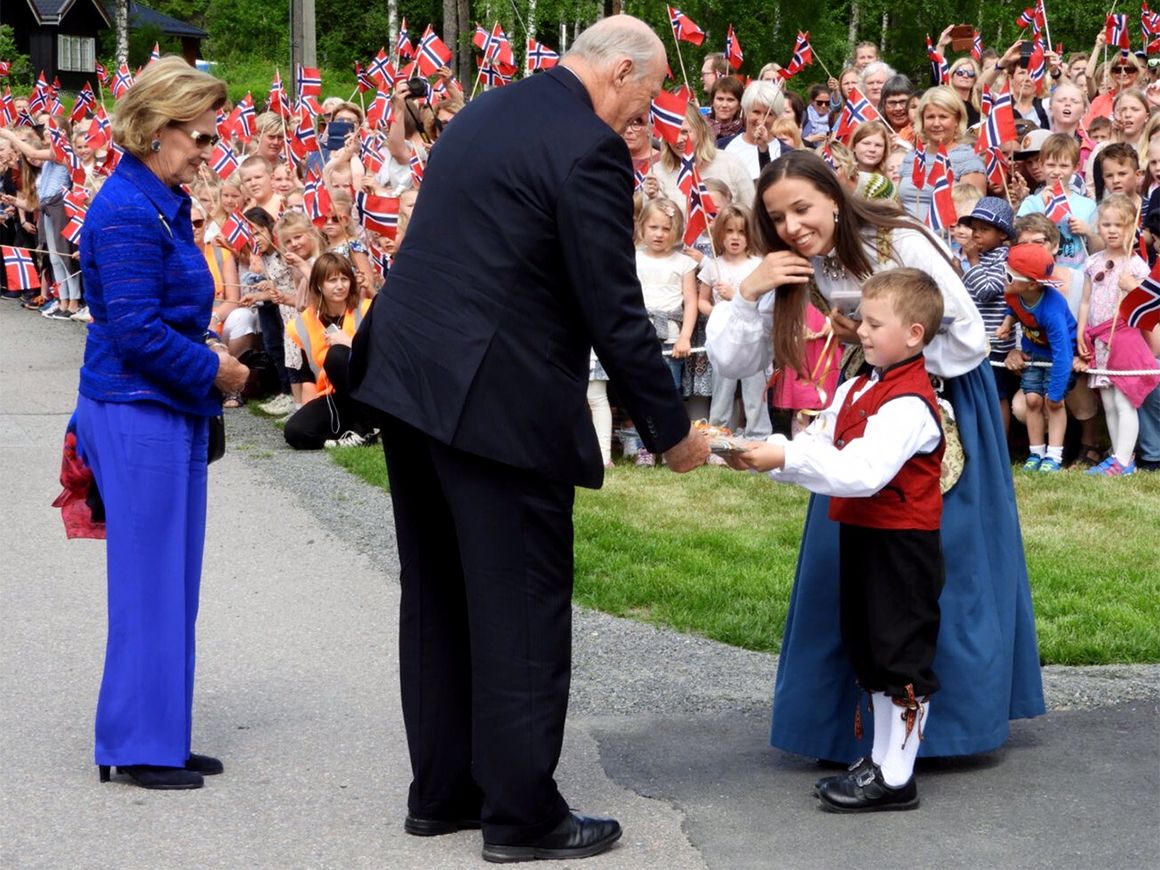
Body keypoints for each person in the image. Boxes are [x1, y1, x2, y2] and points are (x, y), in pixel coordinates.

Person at [347, 15, 708, 863]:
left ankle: (443, 790)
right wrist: (670, 428)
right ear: (619, 72)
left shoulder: (488, 110)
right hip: (497, 400)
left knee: (438, 593)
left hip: (410, 376)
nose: (644, 116)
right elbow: (611, 304)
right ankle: (522, 815)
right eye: (648, 97)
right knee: (519, 606)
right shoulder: (588, 148)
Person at [705, 150, 1045, 765]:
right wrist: (751, 291)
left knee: (937, 561)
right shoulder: (786, 263)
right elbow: (731, 361)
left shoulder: (900, 241)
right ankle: (847, 731)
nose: (792, 227)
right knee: (850, 559)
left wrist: (890, 353)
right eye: (777, 218)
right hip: (864, 399)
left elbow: (968, 338)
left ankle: (940, 733)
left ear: (834, 198)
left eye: (802, 209)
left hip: (936, 402)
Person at [71, 57, 249, 790]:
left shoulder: (158, 201)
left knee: (173, 582)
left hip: (164, 407)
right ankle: (136, 744)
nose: (209, 151)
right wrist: (217, 370)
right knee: (148, 584)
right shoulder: (125, 209)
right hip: (135, 411)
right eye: (200, 137)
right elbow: (137, 331)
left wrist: (206, 351)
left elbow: (160, 318)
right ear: (154, 129)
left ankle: (162, 735)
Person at [728, 268, 948, 813]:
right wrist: (766, 456)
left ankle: (897, 777)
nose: (860, 331)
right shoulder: (856, 387)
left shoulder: (910, 404)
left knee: (900, 654)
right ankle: (880, 760)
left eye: (874, 324)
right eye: (862, 320)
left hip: (903, 547)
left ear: (914, 334)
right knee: (868, 648)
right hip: (863, 536)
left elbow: (862, 473)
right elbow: (820, 444)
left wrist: (785, 456)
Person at [1076, 195, 1160, 474]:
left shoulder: (1136, 266)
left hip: (1124, 339)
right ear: (1098, 226)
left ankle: (1123, 461)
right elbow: (1085, 301)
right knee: (1109, 401)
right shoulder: (1092, 263)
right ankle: (1119, 456)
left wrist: (1133, 286)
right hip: (1099, 340)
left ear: (1131, 229)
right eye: (1106, 224)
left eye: (1119, 225)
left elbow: (1149, 306)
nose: (1112, 230)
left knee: (1124, 400)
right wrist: (1081, 332)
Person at [996, 243, 1078, 472]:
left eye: (1008, 275)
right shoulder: (1014, 292)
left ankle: (1054, 456)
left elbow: (1064, 354)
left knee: (1054, 403)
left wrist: (1056, 392)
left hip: (1058, 358)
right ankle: (1036, 453)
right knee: (1032, 399)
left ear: (1032, 284)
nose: (1003, 278)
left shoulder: (1052, 310)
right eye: (1004, 270)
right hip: (1033, 353)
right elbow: (1013, 309)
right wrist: (1007, 323)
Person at [284, 254, 377, 449]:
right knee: (295, 431)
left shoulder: (368, 309)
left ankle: (367, 429)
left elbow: (386, 357)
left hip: (370, 392)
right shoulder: (303, 323)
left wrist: (351, 343)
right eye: (332, 280)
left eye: (344, 279)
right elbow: (307, 373)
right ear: (319, 285)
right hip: (335, 395)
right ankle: (345, 437)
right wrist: (309, 410)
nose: (340, 286)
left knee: (336, 355)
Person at [696, 204, 771, 441]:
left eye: (741, 232)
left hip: (752, 340)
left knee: (755, 391)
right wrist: (717, 313)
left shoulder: (757, 265)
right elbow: (702, 301)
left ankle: (758, 436)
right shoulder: (713, 265)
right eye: (729, 231)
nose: (735, 237)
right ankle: (718, 436)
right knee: (722, 391)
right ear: (720, 234)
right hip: (724, 340)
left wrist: (735, 296)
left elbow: (765, 302)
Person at [958, 197, 1017, 429]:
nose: (976, 235)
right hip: (977, 339)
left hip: (995, 342)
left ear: (1002, 234)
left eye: (984, 230)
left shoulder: (1004, 259)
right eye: (974, 229)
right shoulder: (981, 257)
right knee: (979, 394)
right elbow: (970, 290)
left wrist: (973, 261)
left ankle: (1001, 442)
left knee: (996, 395)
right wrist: (959, 269)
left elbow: (986, 291)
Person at [722, 80, 786, 181]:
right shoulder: (722, 146)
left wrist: (763, 148)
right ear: (745, 112)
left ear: (777, 117)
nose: (761, 120)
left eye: (769, 114)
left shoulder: (787, 154)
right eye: (756, 112)